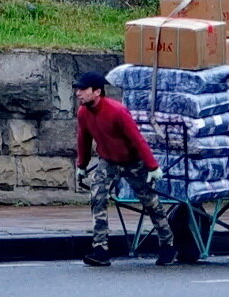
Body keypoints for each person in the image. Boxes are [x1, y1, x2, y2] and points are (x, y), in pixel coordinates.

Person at [74, 71, 176, 267]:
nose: (78, 93)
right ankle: (100, 249)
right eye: (77, 90)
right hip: (107, 160)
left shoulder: (117, 111)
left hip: (132, 161)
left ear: (97, 92)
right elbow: (83, 139)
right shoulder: (83, 113)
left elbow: (137, 139)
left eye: (83, 89)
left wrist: (152, 166)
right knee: (97, 198)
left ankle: (168, 244)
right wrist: (82, 165)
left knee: (150, 202)